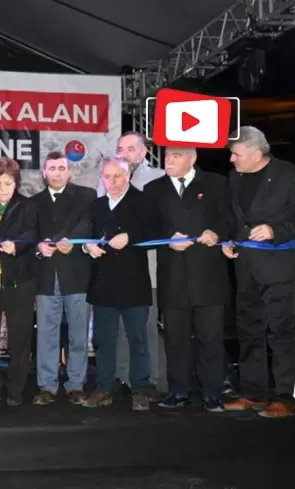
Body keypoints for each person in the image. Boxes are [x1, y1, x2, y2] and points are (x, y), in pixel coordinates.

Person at [221, 126, 295, 419]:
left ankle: (283, 397)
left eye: (236, 154)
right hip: (246, 265)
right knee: (248, 330)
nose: (231, 159)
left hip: (280, 265)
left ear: (256, 153)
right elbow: (233, 217)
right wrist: (229, 241)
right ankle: (253, 392)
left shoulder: (291, 175)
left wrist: (276, 230)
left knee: (281, 333)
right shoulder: (235, 176)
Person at [144, 147, 231, 411]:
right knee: (175, 338)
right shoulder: (153, 189)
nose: (168, 160)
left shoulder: (217, 183)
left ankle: (212, 393)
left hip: (209, 275)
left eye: (175, 156)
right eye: (167, 156)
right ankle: (178, 391)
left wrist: (216, 233)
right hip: (173, 275)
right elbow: (147, 226)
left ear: (192, 159)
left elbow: (229, 218)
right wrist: (168, 237)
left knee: (211, 338)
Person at [82, 156, 157, 411]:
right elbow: (87, 235)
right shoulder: (97, 205)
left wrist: (131, 236)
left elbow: (157, 233)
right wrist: (88, 246)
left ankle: (141, 389)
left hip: (133, 282)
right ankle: (103, 387)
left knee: (138, 339)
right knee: (104, 340)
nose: (112, 181)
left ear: (128, 176)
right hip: (103, 283)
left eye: (117, 176)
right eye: (107, 176)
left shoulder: (143, 201)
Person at [101, 131, 167, 396]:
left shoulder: (158, 180)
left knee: (144, 329)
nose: (124, 153)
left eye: (131, 148)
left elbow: (158, 226)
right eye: (120, 148)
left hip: (146, 268)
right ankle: (121, 375)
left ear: (143, 152)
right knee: (116, 330)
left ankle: (148, 379)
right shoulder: (106, 179)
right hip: (112, 271)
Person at [30, 151, 96, 406]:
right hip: (46, 277)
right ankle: (47, 386)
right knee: (46, 334)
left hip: (77, 275)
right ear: (44, 173)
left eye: (61, 168)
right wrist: (38, 247)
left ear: (69, 171)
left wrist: (72, 240)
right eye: (52, 168)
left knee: (78, 334)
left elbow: (88, 223)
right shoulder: (33, 202)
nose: (57, 172)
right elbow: (29, 233)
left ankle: (76, 385)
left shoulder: (86, 196)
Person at [0, 157, 38, 406]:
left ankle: (15, 389)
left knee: (20, 339)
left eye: (8, 183)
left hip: (20, 282)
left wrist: (18, 245)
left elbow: (33, 232)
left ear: (16, 183)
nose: (3, 189)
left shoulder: (27, 206)